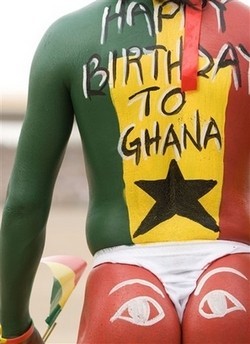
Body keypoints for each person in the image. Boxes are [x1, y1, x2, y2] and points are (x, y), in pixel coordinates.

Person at [0, 0, 249, 343]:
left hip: (122, 285)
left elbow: (25, 204)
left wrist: (13, 329)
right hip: (236, 277)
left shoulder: (69, 38)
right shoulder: (245, 27)